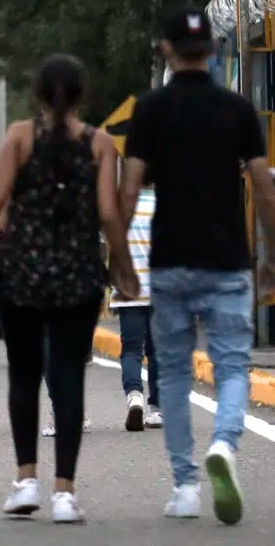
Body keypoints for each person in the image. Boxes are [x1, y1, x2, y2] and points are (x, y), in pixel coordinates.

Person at [117, 6, 275, 526]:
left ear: (166, 51)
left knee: (172, 373)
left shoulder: (150, 110)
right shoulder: (237, 111)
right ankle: (226, 447)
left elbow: (127, 190)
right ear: (212, 50)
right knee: (232, 366)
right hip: (228, 261)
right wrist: (274, 256)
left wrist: (119, 259)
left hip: (169, 261)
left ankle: (185, 485)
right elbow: (263, 186)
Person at [0, 55, 128, 525]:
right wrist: (122, 267)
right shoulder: (100, 144)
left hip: (22, 271)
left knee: (24, 374)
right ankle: (65, 492)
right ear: (82, 95)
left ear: (37, 95)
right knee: (68, 376)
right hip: (77, 272)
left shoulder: (19, 137)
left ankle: (25, 479)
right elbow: (109, 214)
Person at [109, 180, 161, 431]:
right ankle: (157, 409)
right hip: (160, 290)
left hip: (128, 290)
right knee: (157, 351)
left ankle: (134, 397)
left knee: (131, 349)